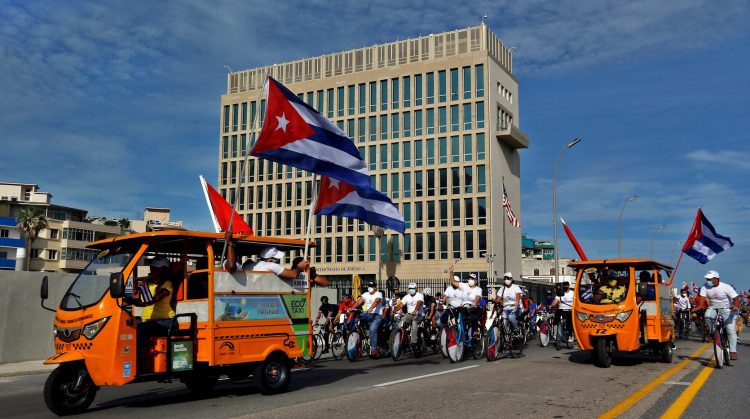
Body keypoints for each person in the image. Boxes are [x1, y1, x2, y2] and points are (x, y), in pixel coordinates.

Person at [125, 257, 177, 369]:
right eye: (152, 268)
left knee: (141, 329)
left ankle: (139, 362)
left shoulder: (167, 284)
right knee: (127, 328)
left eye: (155, 269)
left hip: (165, 321)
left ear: (163, 271)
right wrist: (126, 300)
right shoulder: (147, 284)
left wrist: (141, 303)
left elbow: (155, 299)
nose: (152, 270)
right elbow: (136, 299)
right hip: (149, 322)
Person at [700, 270, 740, 361]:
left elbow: (736, 299)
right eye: (707, 279)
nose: (708, 280)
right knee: (707, 316)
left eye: (710, 279)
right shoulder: (704, 287)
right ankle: (711, 333)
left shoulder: (726, 287)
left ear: (716, 279)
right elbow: (702, 298)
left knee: (731, 331)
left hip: (727, 310)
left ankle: (733, 351)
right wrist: (700, 306)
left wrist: (735, 306)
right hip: (713, 308)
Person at [351, 280, 384, 358]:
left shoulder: (379, 293)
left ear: (375, 288)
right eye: (369, 286)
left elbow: (377, 300)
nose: (370, 288)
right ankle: (360, 334)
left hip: (377, 315)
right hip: (368, 314)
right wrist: (352, 308)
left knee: (372, 329)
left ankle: (374, 349)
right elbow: (359, 301)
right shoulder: (365, 294)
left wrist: (371, 308)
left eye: (372, 286)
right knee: (358, 317)